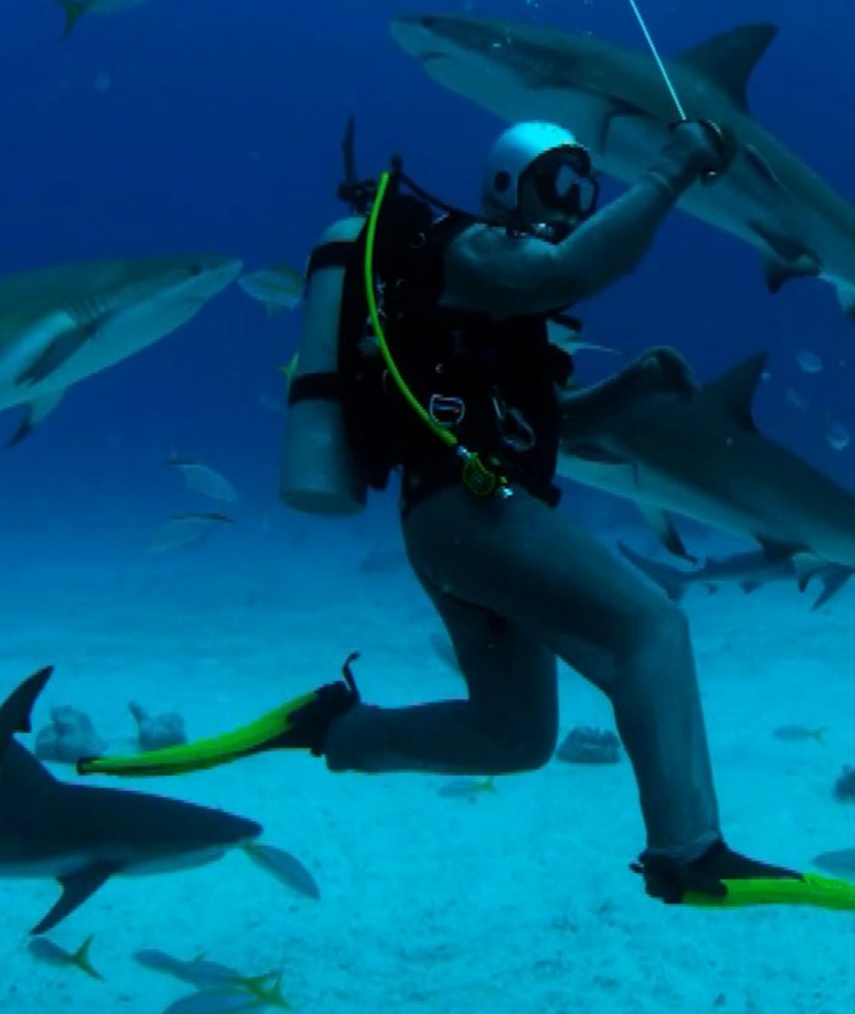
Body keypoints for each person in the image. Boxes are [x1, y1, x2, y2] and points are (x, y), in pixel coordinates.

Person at [83, 118, 799, 904]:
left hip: (460, 525)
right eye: (558, 184)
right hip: (472, 513)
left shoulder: (502, 305)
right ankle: (687, 849)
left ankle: (339, 731)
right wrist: (675, 169)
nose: (572, 204)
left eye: (584, 189)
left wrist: (628, 388)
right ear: (506, 185)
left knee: (514, 735)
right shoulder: (465, 248)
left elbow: (540, 430)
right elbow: (572, 267)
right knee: (651, 624)